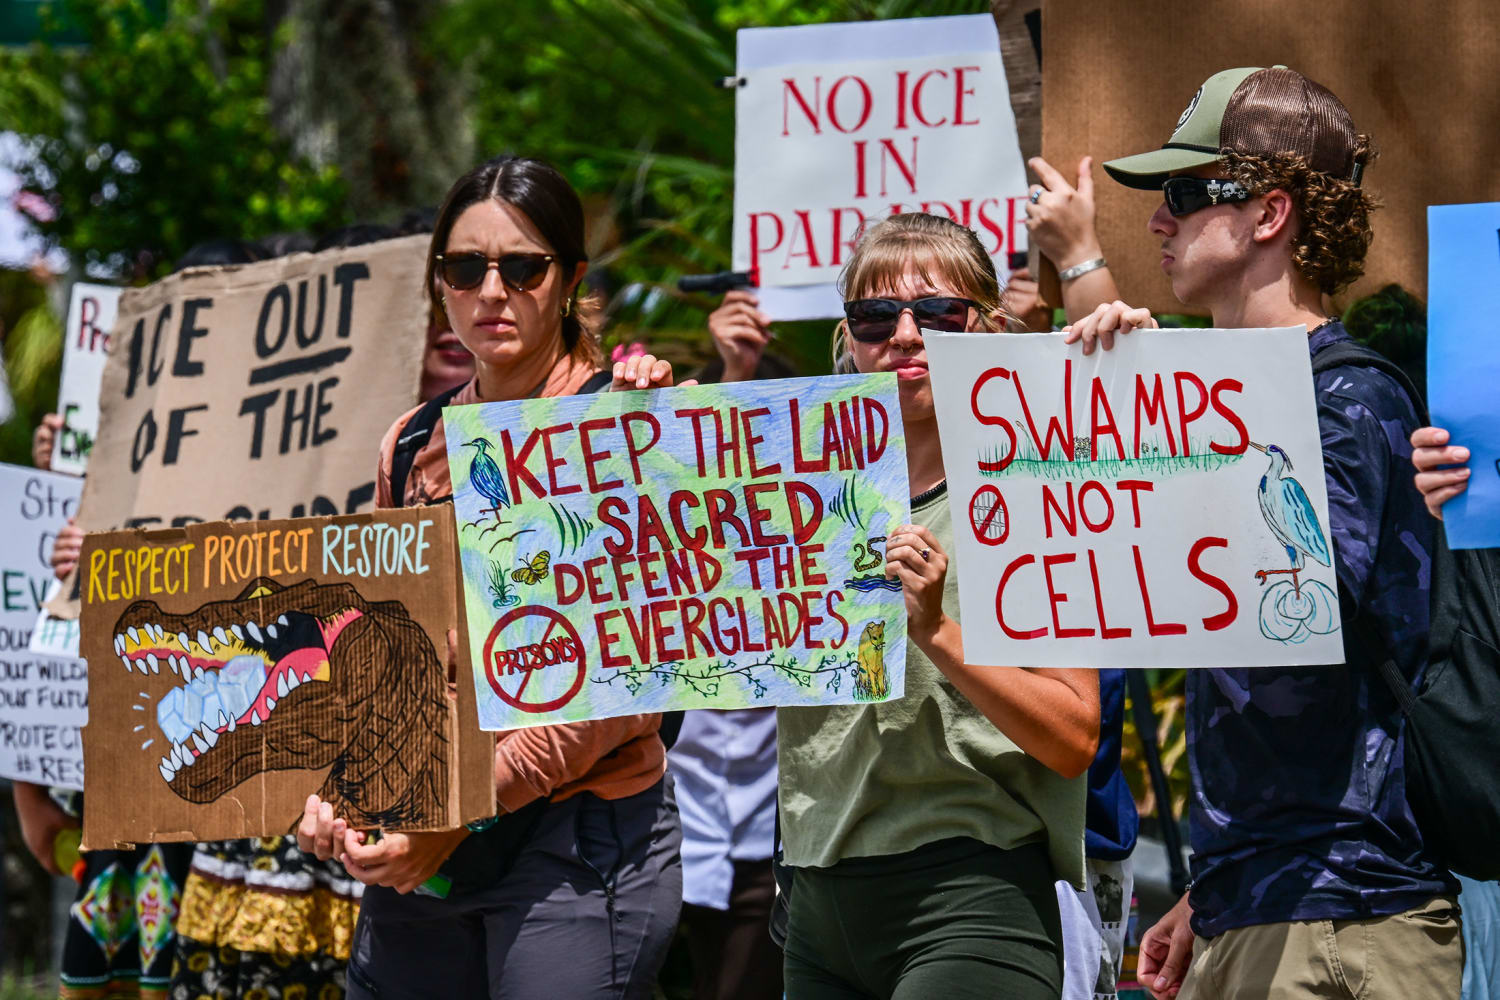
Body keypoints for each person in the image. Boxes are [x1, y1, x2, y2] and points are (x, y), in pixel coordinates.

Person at [1069, 66, 1463, 999]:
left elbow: (1284, 627)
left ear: (1268, 213)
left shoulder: (1346, 400)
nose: (1156, 222)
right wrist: (1212, 892)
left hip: (1345, 916)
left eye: (1183, 195)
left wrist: (1150, 402)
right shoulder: (1270, 405)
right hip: (1266, 906)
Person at [296, 154, 684, 1000]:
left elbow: (624, 689)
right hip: (431, 825)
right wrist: (339, 790)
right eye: (466, 268)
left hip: (576, 834)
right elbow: (383, 649)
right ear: (440, 285)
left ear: (570, 279)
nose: (492, 292)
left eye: (524, 268)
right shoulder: (410, 441)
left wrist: (458, 809)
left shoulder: (628, 425)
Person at [777, 211, 1100, 1000]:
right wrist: (641, 418)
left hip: (970, 898)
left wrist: (937, 632)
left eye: (938, 312)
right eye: (874, 316)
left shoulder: (1032, 491)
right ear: (849, 337)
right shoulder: (797, 497)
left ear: (986, 325)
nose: (905, 335)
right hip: (815, 901)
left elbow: (1074, 737)